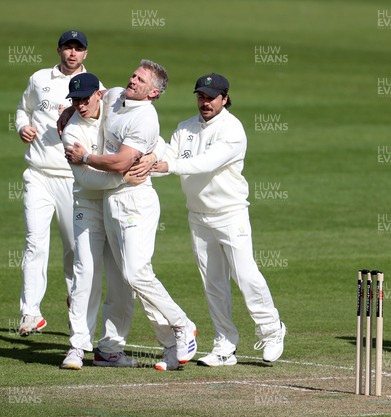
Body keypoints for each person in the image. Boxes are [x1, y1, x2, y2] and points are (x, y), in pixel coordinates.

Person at [65, 60, 197, 371]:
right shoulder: (112, 96)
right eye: (133, 75)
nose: (132, 80)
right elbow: (91, 97)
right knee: (130, 278)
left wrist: (87, 157)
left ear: (153, 92)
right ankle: (167, 348)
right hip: (112, 203)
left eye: (140, 80)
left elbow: (122, 161)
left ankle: (183, 325)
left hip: (137, 201)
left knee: (137, 273)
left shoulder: (145, 118)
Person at [151, 73, 286, 366]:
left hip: (230, 214)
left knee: (246, 276)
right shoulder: (185, 128)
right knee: (213, 283)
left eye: (211, 97)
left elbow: (205, 163)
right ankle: (225, 345)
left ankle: (272, 330)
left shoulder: (232, 129)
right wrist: (145, 164)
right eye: (200, 96)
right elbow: (167, 159)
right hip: (198, 217)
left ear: (224, 99)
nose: (205, 102)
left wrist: (168, 164)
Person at [15, 29, 99, 337]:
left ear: (85, 54)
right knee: (34, 242)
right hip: (38, 174)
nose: (72, 53)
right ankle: (30, 313)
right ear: (59, 50)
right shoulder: (39, 79)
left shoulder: (95, 86)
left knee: (75, 250)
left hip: (72, 180)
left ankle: (75, 305)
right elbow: (23, 108)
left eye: (78, 48)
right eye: (68, 47)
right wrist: (23, 125)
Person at [58, 73, 143, 369]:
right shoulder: (71, 132)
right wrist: (124, 174)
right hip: (88, 205)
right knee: (86, 272)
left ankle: (110, 349)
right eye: (75, 102)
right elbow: (86, 179)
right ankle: (77, 346)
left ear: (99, 94)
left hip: (117, 205)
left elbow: (134, 101)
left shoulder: (115, 101)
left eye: (85, 99)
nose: (80, 106)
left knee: (123, 276)